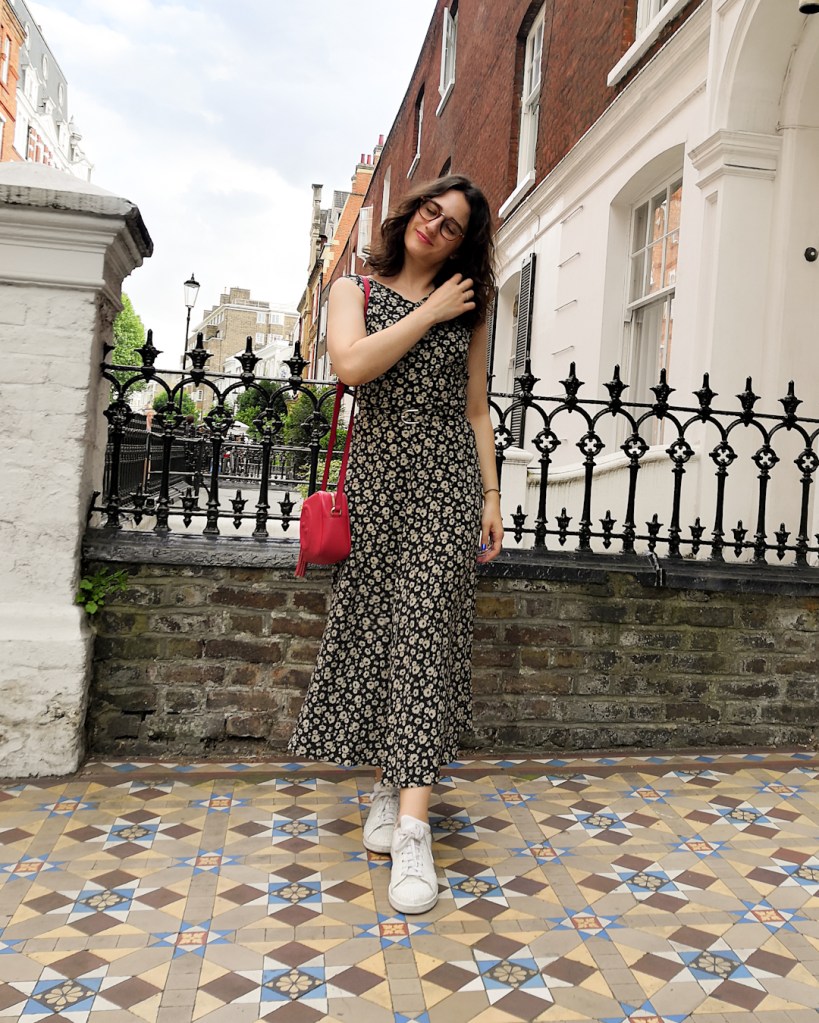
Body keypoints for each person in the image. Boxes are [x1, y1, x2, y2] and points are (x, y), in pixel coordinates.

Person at [288, 175, 503, 914]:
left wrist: (491, 495)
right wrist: (428, 310)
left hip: (445, 485)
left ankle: (413, 826)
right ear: (410, 211)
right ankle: (386, 781)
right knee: (376, 631)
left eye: (452, 227)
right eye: (429, 211)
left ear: (464, 243)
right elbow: (351, 364)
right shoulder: (355, 288)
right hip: (376, 487)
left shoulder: (472, 305)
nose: (434, 228)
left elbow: (476, 408)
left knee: (424, 637)